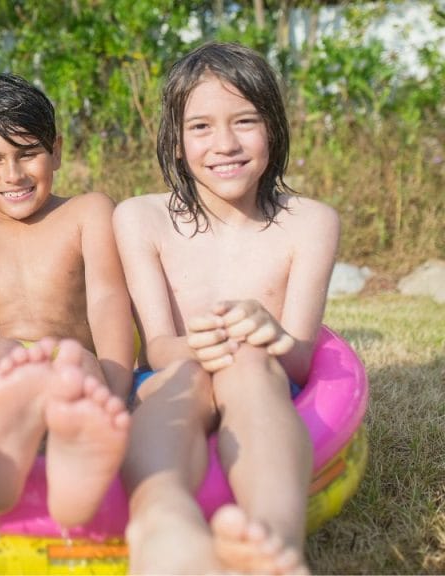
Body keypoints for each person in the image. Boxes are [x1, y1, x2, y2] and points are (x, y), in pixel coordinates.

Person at [113, 41, 339, 574]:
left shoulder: (310, 223)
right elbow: (160, 346)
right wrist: (198, 347)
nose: (225, 144)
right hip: (175, 373)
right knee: (183, 379)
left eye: (245, 121)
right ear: (173, 141)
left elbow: (302, 361)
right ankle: (161, 524)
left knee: (249, 363)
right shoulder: (141, 218)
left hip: (265, 379)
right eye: (200, 127)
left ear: (275, 130)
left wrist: (269, 332)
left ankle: (272, 541)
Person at [0, 73, 133, 528]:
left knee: (72, 363)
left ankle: (77, 441)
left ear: (57, 151)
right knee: (1, 355)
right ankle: (4, 442)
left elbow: (107, 300)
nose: (13, 175)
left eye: (28, 154)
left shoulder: (86, 212)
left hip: (70, 363)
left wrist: (118, 390)